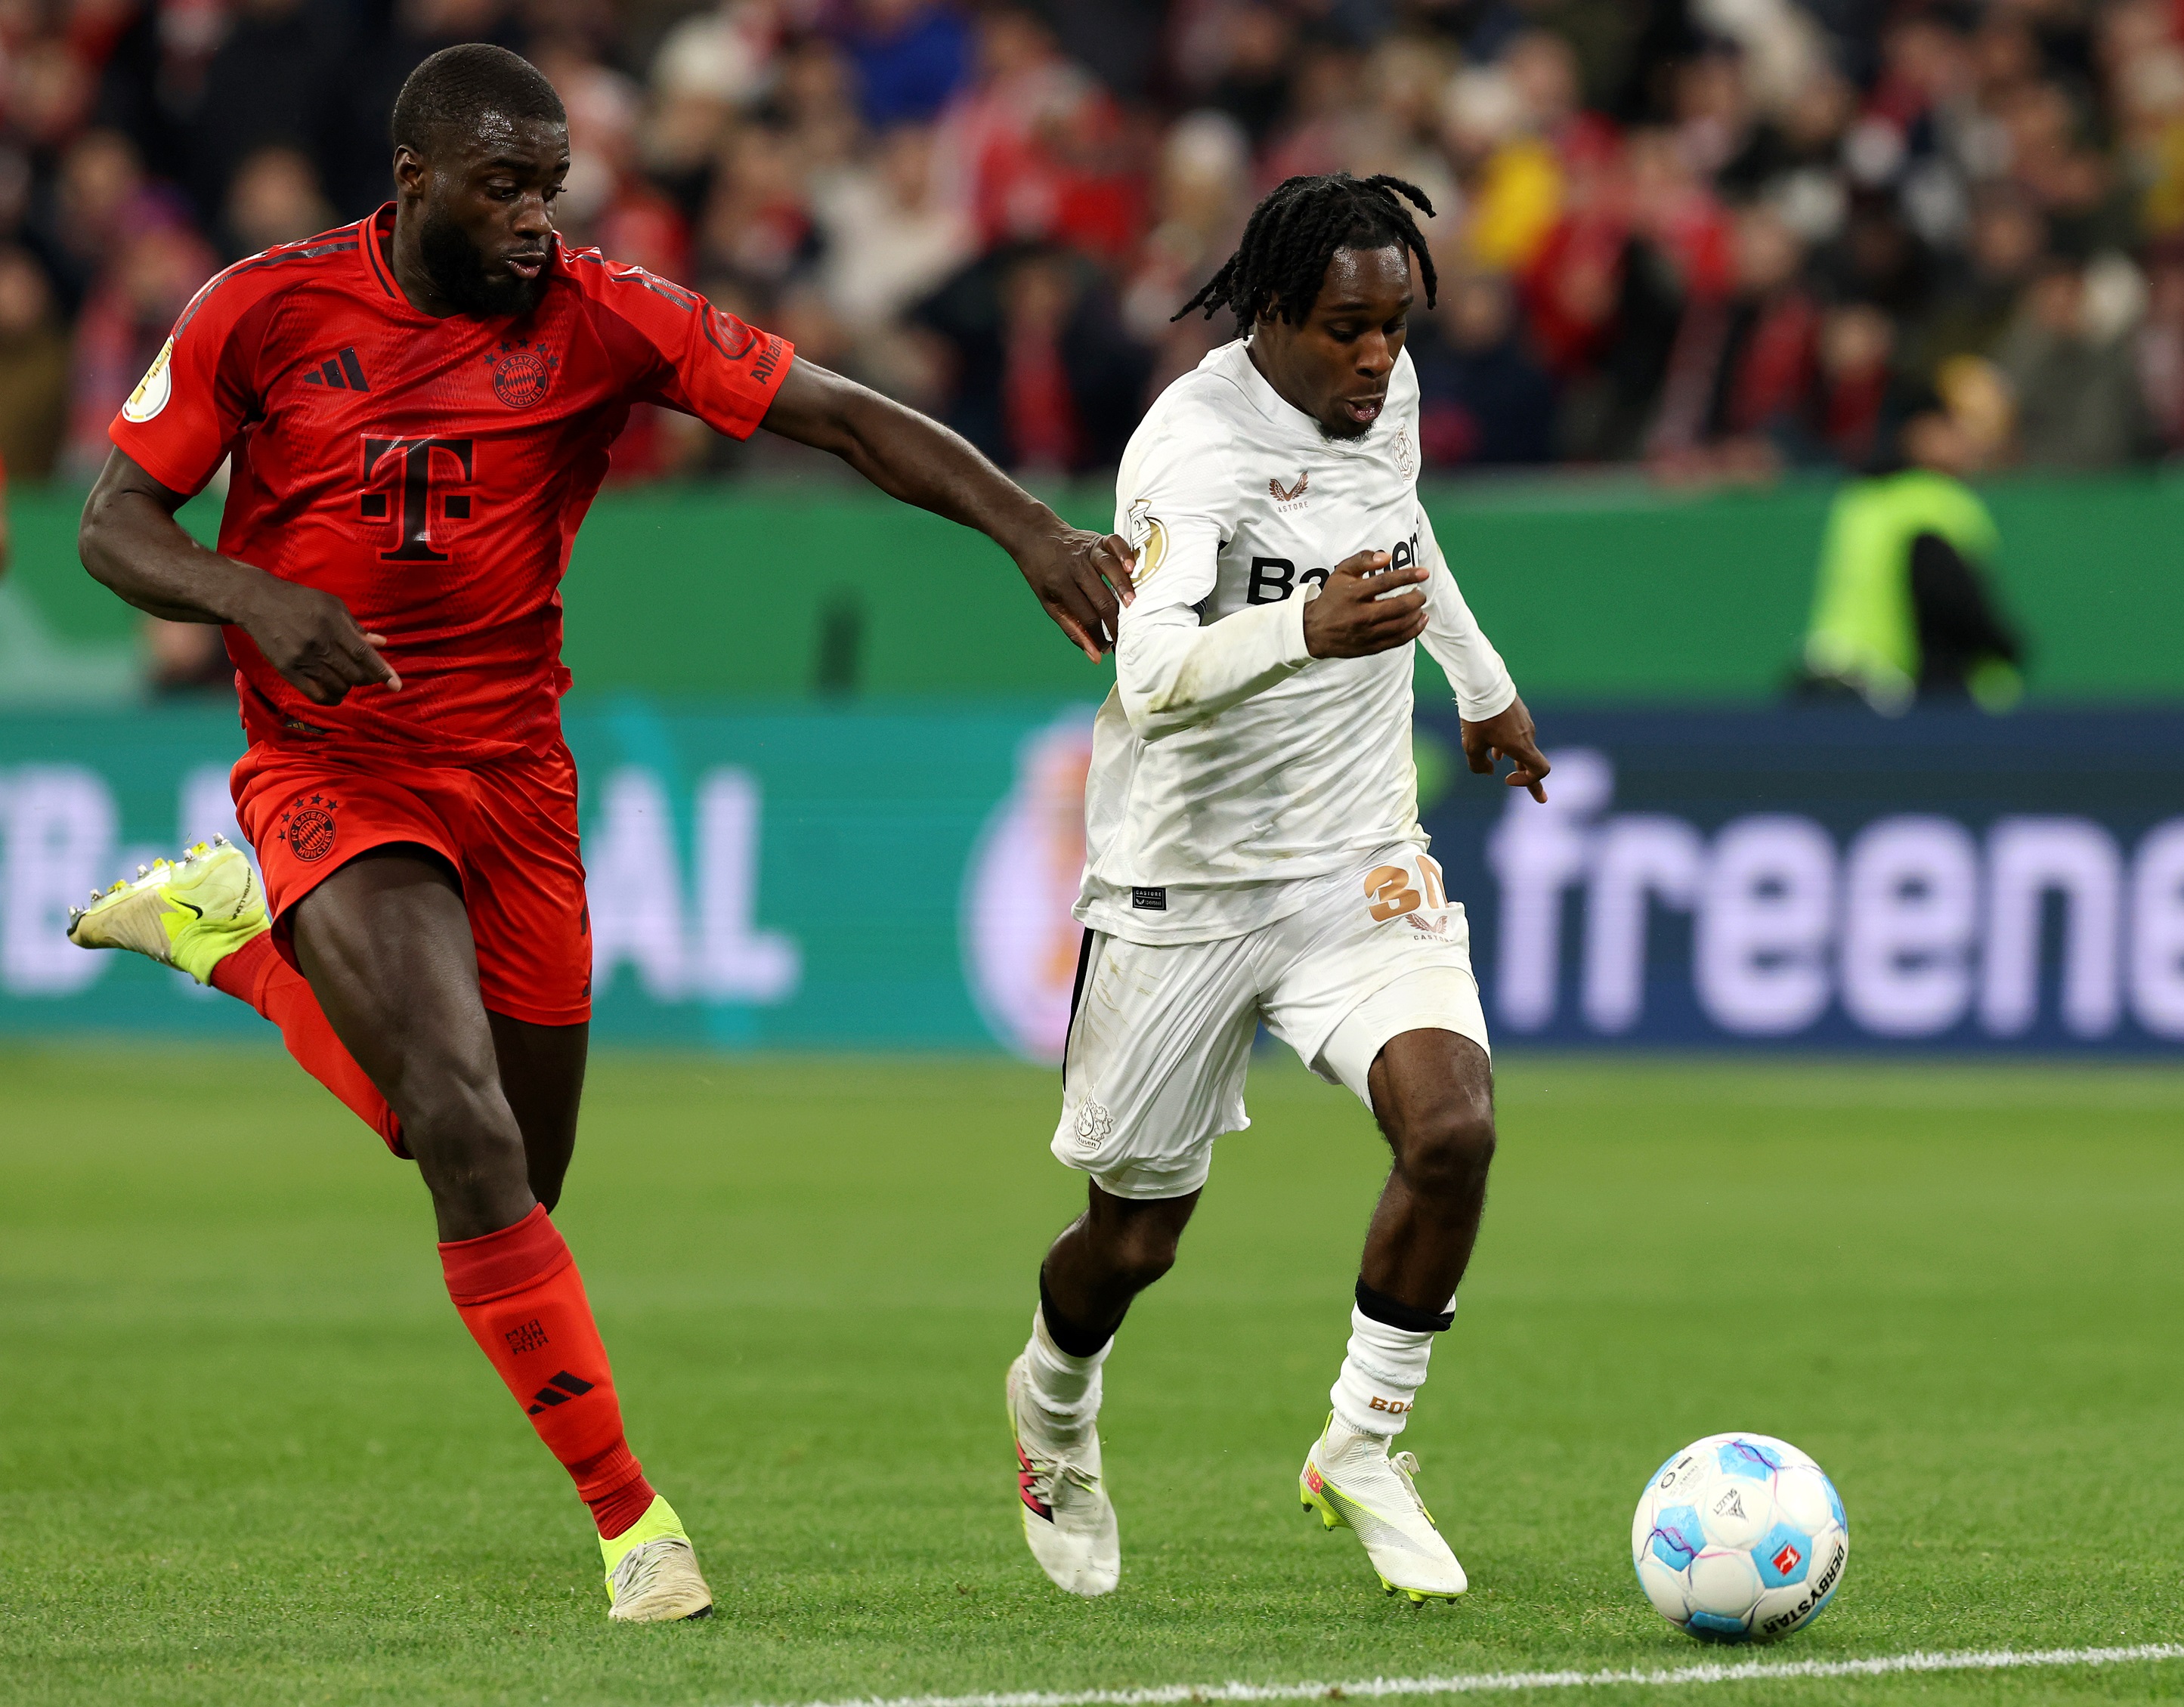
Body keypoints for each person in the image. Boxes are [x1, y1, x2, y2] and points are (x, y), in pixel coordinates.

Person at [66, 44, 1134, 1624]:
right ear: (414, 179)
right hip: (332, 769)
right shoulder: (261, 308)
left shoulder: (601, 310)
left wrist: (1030, 527)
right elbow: (113, 524)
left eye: (551, 189)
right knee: (466, 1131)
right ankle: (638, 1528)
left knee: (515, 1162)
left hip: (515, 783)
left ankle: (233, 945)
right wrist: (254, 595)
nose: (535, 223)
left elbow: (837, 415)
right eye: (504, 188)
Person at [1000, 172, 1551, 1606]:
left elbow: (1406, 527)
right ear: (1272, 316)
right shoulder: (1190, 452)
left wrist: (1481, 686)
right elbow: (1150, 674)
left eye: (1395, 327)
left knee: (1454, 1127)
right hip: (1183, 886)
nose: (1378, 360)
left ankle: (1362, 1443)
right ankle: (1054, 1401)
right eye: (1348, 331)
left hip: (1355, 856)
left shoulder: (1390, 395)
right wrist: (1303, 627)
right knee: (1133, 1236)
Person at [1796, 402, 2024, 712]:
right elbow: (1951, 600)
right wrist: (2004, 646)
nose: (1969, 442)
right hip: (1892, 694)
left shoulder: (1860, 498)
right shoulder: (1935, 503)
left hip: (1833, 677)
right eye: (1955, 428)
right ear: (1922, 433)